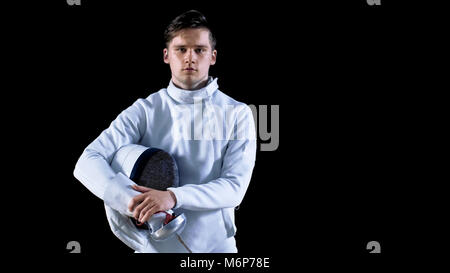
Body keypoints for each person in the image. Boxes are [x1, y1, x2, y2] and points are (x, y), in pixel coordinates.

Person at [73, 10, 256, 253]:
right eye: (181, 49)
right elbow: (86, 162)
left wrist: (172, 196)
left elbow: (235, 187)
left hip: (216, 247)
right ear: (166, 55)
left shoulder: (237, 113)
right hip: (155, 247)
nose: (190, 57)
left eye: (199, 50)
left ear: (212, 57)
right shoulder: (146, 110)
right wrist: (132, 201)